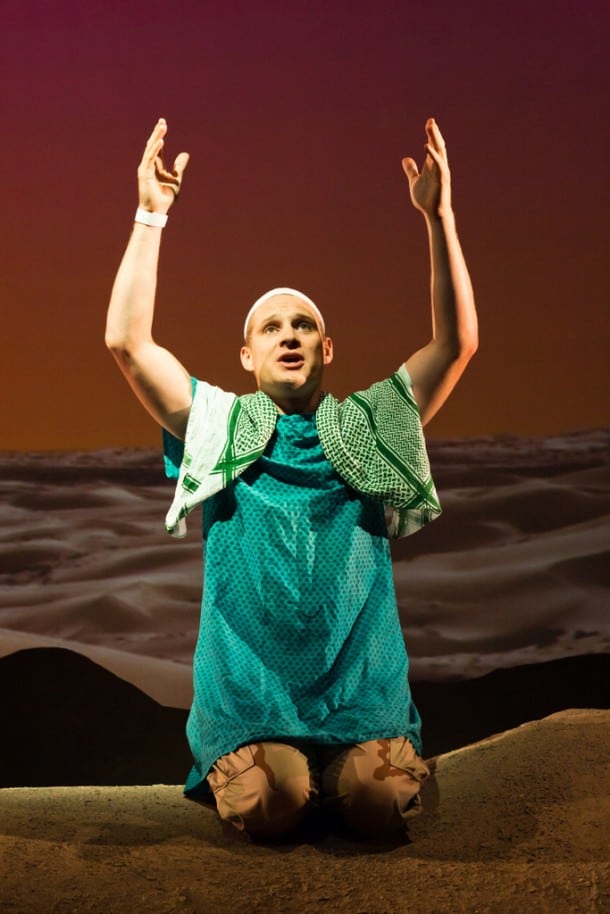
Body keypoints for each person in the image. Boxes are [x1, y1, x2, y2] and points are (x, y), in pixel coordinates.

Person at [105, 117, 477, 840]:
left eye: (303, 325)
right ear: (246, 355)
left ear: (327, 347)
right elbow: (126, 342)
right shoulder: (215, 423)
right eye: (271, 328)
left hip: (358, 691)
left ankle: (352, 764)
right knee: (277, 800)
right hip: (250, 693)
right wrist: (150, 214)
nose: (289, 336)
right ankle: (274, 768)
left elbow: (457, 343)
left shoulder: (370, 425)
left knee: (373, 802)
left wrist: (440, 216)